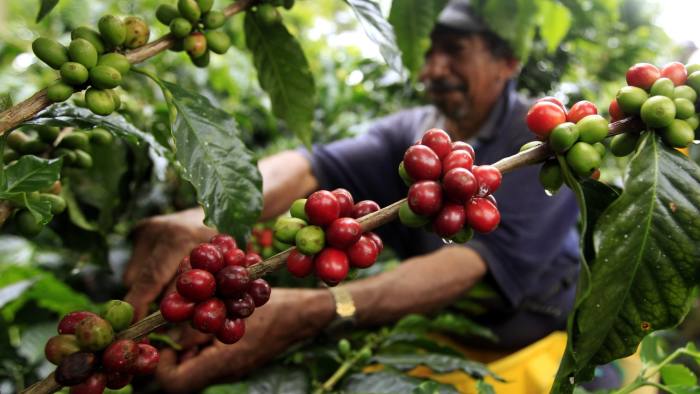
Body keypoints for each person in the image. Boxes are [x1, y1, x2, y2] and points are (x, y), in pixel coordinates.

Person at [123, 1, 584, 392]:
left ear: (507, 63)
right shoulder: (413, 132)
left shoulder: (539, 146)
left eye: (456, 51)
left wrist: (317, 309)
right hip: (439, 338)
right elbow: (306, 166)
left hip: (534, 349)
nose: (433, 70)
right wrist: (210, 213)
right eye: (428, 53)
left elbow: (468, 264)